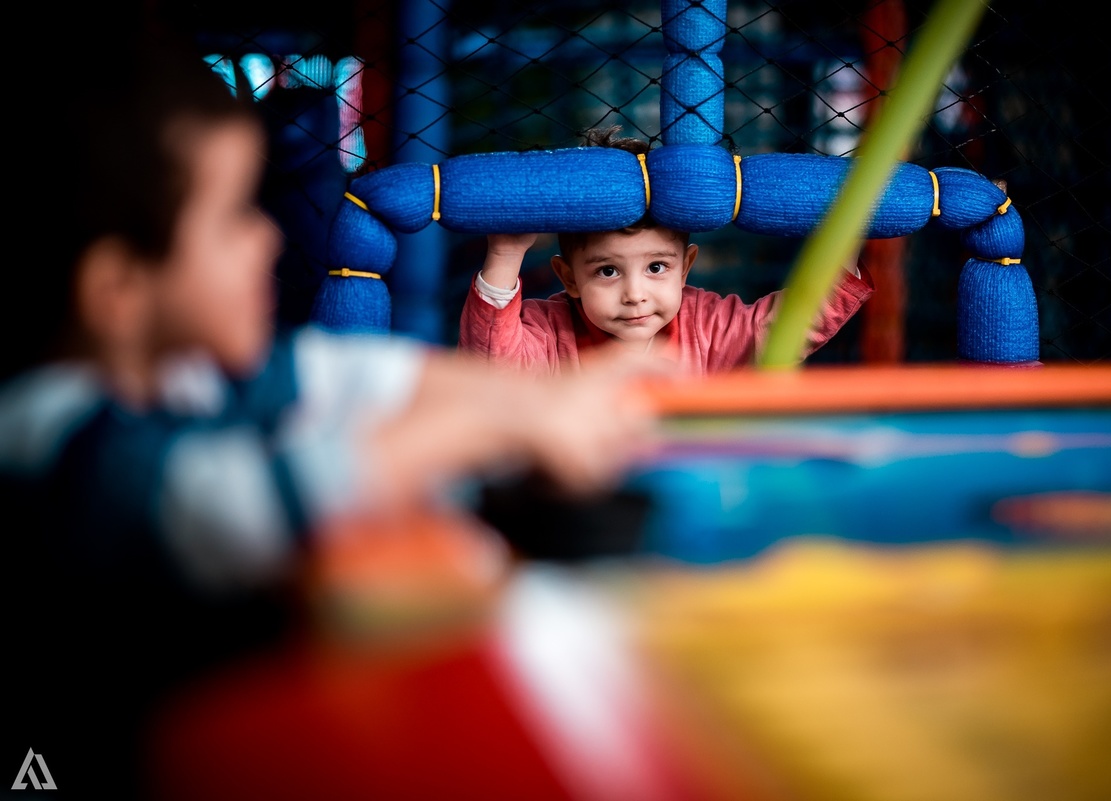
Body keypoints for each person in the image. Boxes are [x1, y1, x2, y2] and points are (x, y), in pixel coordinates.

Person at [0, 20, 661, 801]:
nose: (265, 240)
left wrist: (550, 396)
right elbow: (251, 502)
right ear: (117, 291)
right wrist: (503, 424)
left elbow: (353, 372)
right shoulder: (48, 444)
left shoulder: (179, 376)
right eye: (232, 218)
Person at [458, 125, 875, 374]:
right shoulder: (547, 334)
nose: (635, 294)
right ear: (569, 277)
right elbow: (495, 362)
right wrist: (506, 254)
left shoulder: (707, 329)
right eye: (607, 271)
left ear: (685, 267)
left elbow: (794, 323)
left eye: (656, 267)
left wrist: (848, 232)